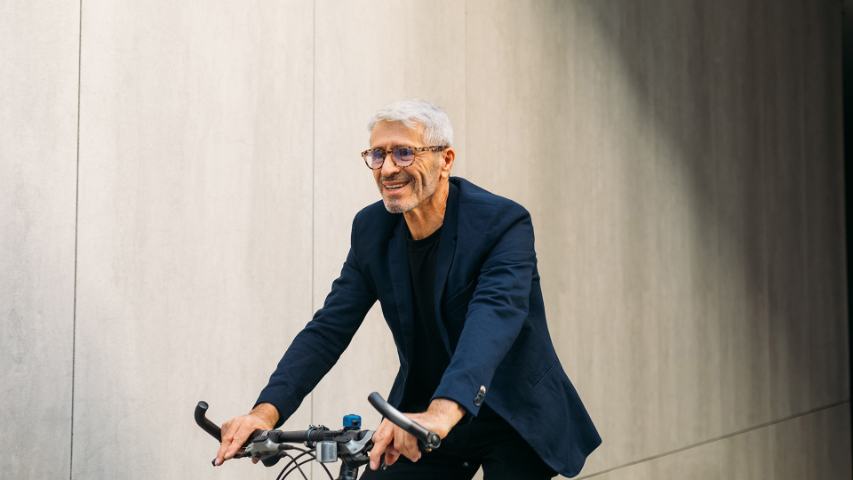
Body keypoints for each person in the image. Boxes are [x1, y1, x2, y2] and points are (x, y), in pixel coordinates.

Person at [214, 100, 601, 478]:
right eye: (377, 155)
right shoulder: (372, 230)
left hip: (512, 412)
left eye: (403, 153)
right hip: (423, 411)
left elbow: (494, 318)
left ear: (445, 160)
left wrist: (443, 411)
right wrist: (265, 412)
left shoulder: (501, 223)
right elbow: (329, 328)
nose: (387, 169)